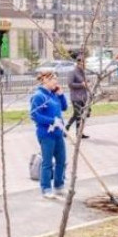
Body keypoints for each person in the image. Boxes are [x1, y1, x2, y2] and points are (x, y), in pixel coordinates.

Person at [29, 70, 69, 200]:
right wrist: (52, 121)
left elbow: (64, 108)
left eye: (56, 79)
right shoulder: (39, 96)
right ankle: (46, 188)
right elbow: (35, 115)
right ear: (45, 80)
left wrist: (61, 95)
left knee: (61, 160)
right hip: (46, 134)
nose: (56, 82)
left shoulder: (54, 94)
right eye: (53, 79)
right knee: (47, 162)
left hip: (58, 132)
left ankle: (59, 185)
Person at [65, 57, 90, 138]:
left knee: (82, 115)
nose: (84, 64)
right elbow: (70, 84)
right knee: (77, 114)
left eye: (85, 63)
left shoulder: (83, 73)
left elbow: (85, 82)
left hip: (83, 97)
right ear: (78, 63)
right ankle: (67, 129)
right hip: (76, 97)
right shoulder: (72, 72)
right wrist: (81, 85)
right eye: (83, 63)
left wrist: (88, 84)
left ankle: (78, 133)